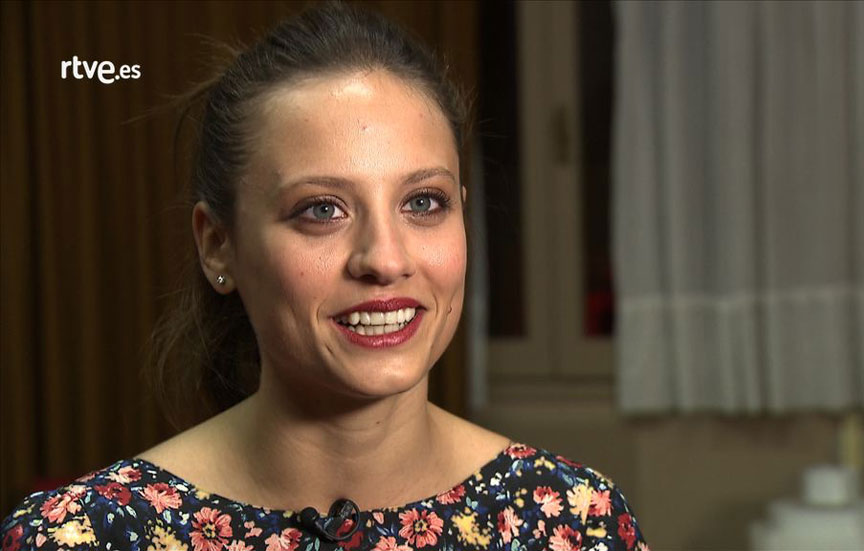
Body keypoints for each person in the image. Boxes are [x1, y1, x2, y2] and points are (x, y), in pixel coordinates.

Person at [2, 3, 648, 550]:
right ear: (218, 245)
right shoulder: (79, 536)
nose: (386, 259)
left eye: (423, 202)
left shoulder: (573, 522)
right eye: (321, 210)